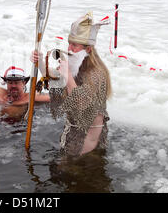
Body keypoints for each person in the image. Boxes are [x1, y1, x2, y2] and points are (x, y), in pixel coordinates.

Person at [31, 10, 112, 157]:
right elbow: (53, 78)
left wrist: (67, 75)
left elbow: (84, 107)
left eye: (74, 46)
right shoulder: (75, 64)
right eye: (69, 44)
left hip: (90, 143)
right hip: (73, 133)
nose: (69, 49)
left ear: (88, 49)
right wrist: (40, 62)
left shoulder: (96, 74)